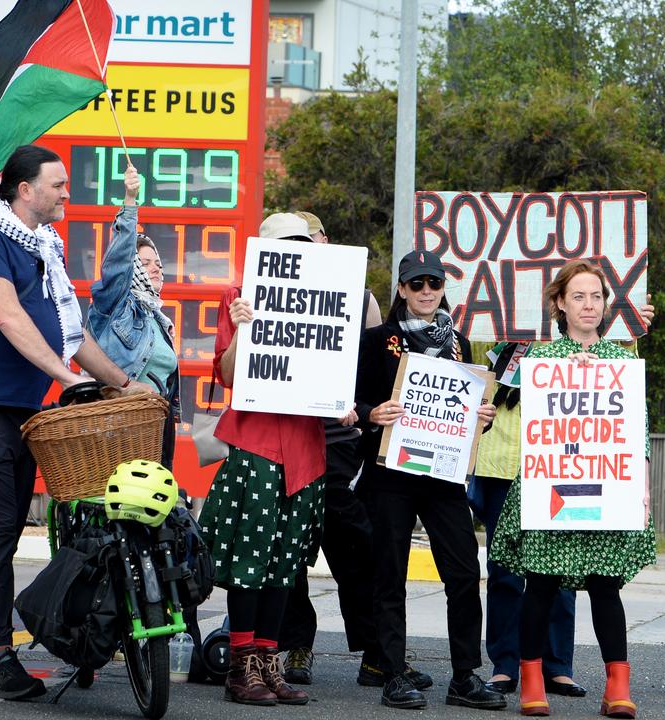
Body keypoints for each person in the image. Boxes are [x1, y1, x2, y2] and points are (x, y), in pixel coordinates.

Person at [0, 144, 154, 701]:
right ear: (24, 190)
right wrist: (65, 376)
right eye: (57, 185)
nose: (65, 193)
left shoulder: (45, 246)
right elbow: (7, 315)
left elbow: (75, 335)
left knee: (0, 535)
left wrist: (125, 384)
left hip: (22, 410)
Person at [200, 212, 354, 706]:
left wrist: (342, 403)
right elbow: (225, 374)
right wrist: (243, 328)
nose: (298, 250)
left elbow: (331, 363)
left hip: (307, 449)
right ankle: (241, 667)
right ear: (265, 250)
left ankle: (269, 661)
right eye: (287, 244)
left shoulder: (329, 295)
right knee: (251, 559)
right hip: (258, 445)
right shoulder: (239, 295)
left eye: (303, 242)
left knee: (287, 563)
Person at [491, 259, 656, 719]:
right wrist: (572, 374)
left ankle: (617, 686)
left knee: (607, 587)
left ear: (606, 306)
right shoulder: (540, 360)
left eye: (597, 297)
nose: (589, 305)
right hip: (553, 488)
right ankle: (530, 680)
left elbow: (636, 430)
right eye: (578, 296)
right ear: (560, 304)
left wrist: (642, 485)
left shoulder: (625, 361)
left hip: (610, 488)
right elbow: (537, 427)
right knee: (540, 584)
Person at [277, 211, 422, 690]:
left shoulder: (359, 298)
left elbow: (373, 372)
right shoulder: (268, 293)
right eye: (294, 240)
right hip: (288, 441)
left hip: (341, 446)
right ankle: (297, 643)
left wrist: (359, 410)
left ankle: (378, 654)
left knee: (359, 549)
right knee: (292, 551)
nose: (306, 245)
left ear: (326, 239)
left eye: (311, 236)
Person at [355, 250, 505, 711]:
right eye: (416, 284)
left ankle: (464, 675)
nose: (425, 292)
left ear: (443, 289)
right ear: (401, 289)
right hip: (390, 476)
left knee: (463, 572)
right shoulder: (377, 339)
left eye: (433, 284)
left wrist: (483, 416)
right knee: (389, 575)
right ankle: (392, 673)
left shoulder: (458, 341)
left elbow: (473, 410)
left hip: (442, 475)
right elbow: (352, 401)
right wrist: (370, 414)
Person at [86, 165, 180, 466]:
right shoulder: (116, 303)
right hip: (121, 422)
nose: (156, 268)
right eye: (146, 262)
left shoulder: (159, 320)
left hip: (158, 424)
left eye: (158, 263)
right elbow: (118, 263)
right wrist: (130, 202)